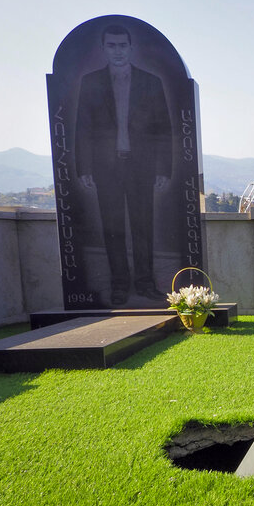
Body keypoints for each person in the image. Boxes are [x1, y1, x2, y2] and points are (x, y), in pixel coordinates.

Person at [76, 24, 172, 306]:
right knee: (113, 227)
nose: (117, 50)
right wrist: (84, 167)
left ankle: (145, 283)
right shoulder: (90, 82)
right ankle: (119, 284)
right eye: (111, 45)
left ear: (131, 48)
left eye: (122, 45)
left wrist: (164, 169)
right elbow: (82, 129)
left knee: (143, 226)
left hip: (141, 166)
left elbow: (163, 129)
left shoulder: (150, 81)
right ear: (104, 49)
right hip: (107, 167)